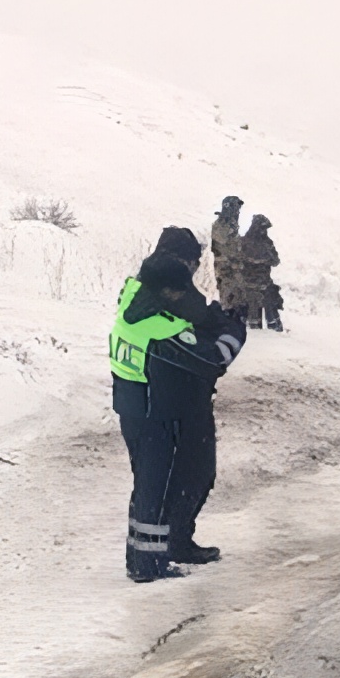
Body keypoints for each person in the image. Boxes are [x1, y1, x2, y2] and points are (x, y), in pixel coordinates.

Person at [109, 240, 210, 581]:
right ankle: (147, 565)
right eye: (178, 292)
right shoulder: (161, 326)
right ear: (166, 291)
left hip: (130, 406)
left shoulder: (131, 301)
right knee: (155, 487)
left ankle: (139, 559)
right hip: (153, 413)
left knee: (145, 485)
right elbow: (206, 358)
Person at [146, 296, 247, 570]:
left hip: (176, 401)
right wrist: (234, 331)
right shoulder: (167, 311)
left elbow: (197, 332)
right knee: (193, 475)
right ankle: (170, 546)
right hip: (183, 405)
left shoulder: (162, 301)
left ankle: (174, 542)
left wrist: (216, 316)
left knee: (191, 476)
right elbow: (212, 360)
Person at [240, 212, 282, 329]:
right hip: (260, 285)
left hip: (251, 285)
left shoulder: (244, 242)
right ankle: (273, 329)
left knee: (255, 320)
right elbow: (275, 261)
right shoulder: (266, 243)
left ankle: (271, 329)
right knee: (266, 311)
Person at [211, 196, 245, 307]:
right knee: (228, 289)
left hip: (234, 266)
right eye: (236, 208)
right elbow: (220, 242)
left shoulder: (232, 224)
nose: (238, 212)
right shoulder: (220, 224)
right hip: (224, 268)